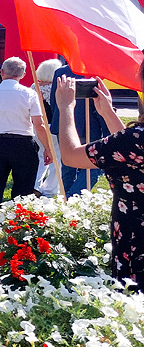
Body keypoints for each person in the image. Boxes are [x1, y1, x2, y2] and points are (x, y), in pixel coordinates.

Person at [56, 67, 143, 286]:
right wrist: (108, 112)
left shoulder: (134, 139)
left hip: (136, 243)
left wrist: (66, 108)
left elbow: (71, 155)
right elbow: (127, 151)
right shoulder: (132, 141)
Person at [0, 57, 52, 231]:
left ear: (2, 73)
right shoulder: (29, 93)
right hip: (22, 142)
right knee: (23, 186)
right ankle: (18, 224)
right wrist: (48, 147)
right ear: (23, 74)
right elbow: (38, 124)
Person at [49, 62, 111, 195]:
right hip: (87, 125)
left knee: (70, 167)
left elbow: (55, 101)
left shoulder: (61, 71)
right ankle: (72, 198)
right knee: (93, 166)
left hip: (73, 123)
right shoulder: (95, 69)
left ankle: (67, 199)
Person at [34, 58, 63, 196]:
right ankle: (50, 188)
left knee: (40, 156)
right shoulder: (58, 88)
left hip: (37, 126)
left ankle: (35, 185)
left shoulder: (34, 87)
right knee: (57, 158)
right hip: (55, 127)